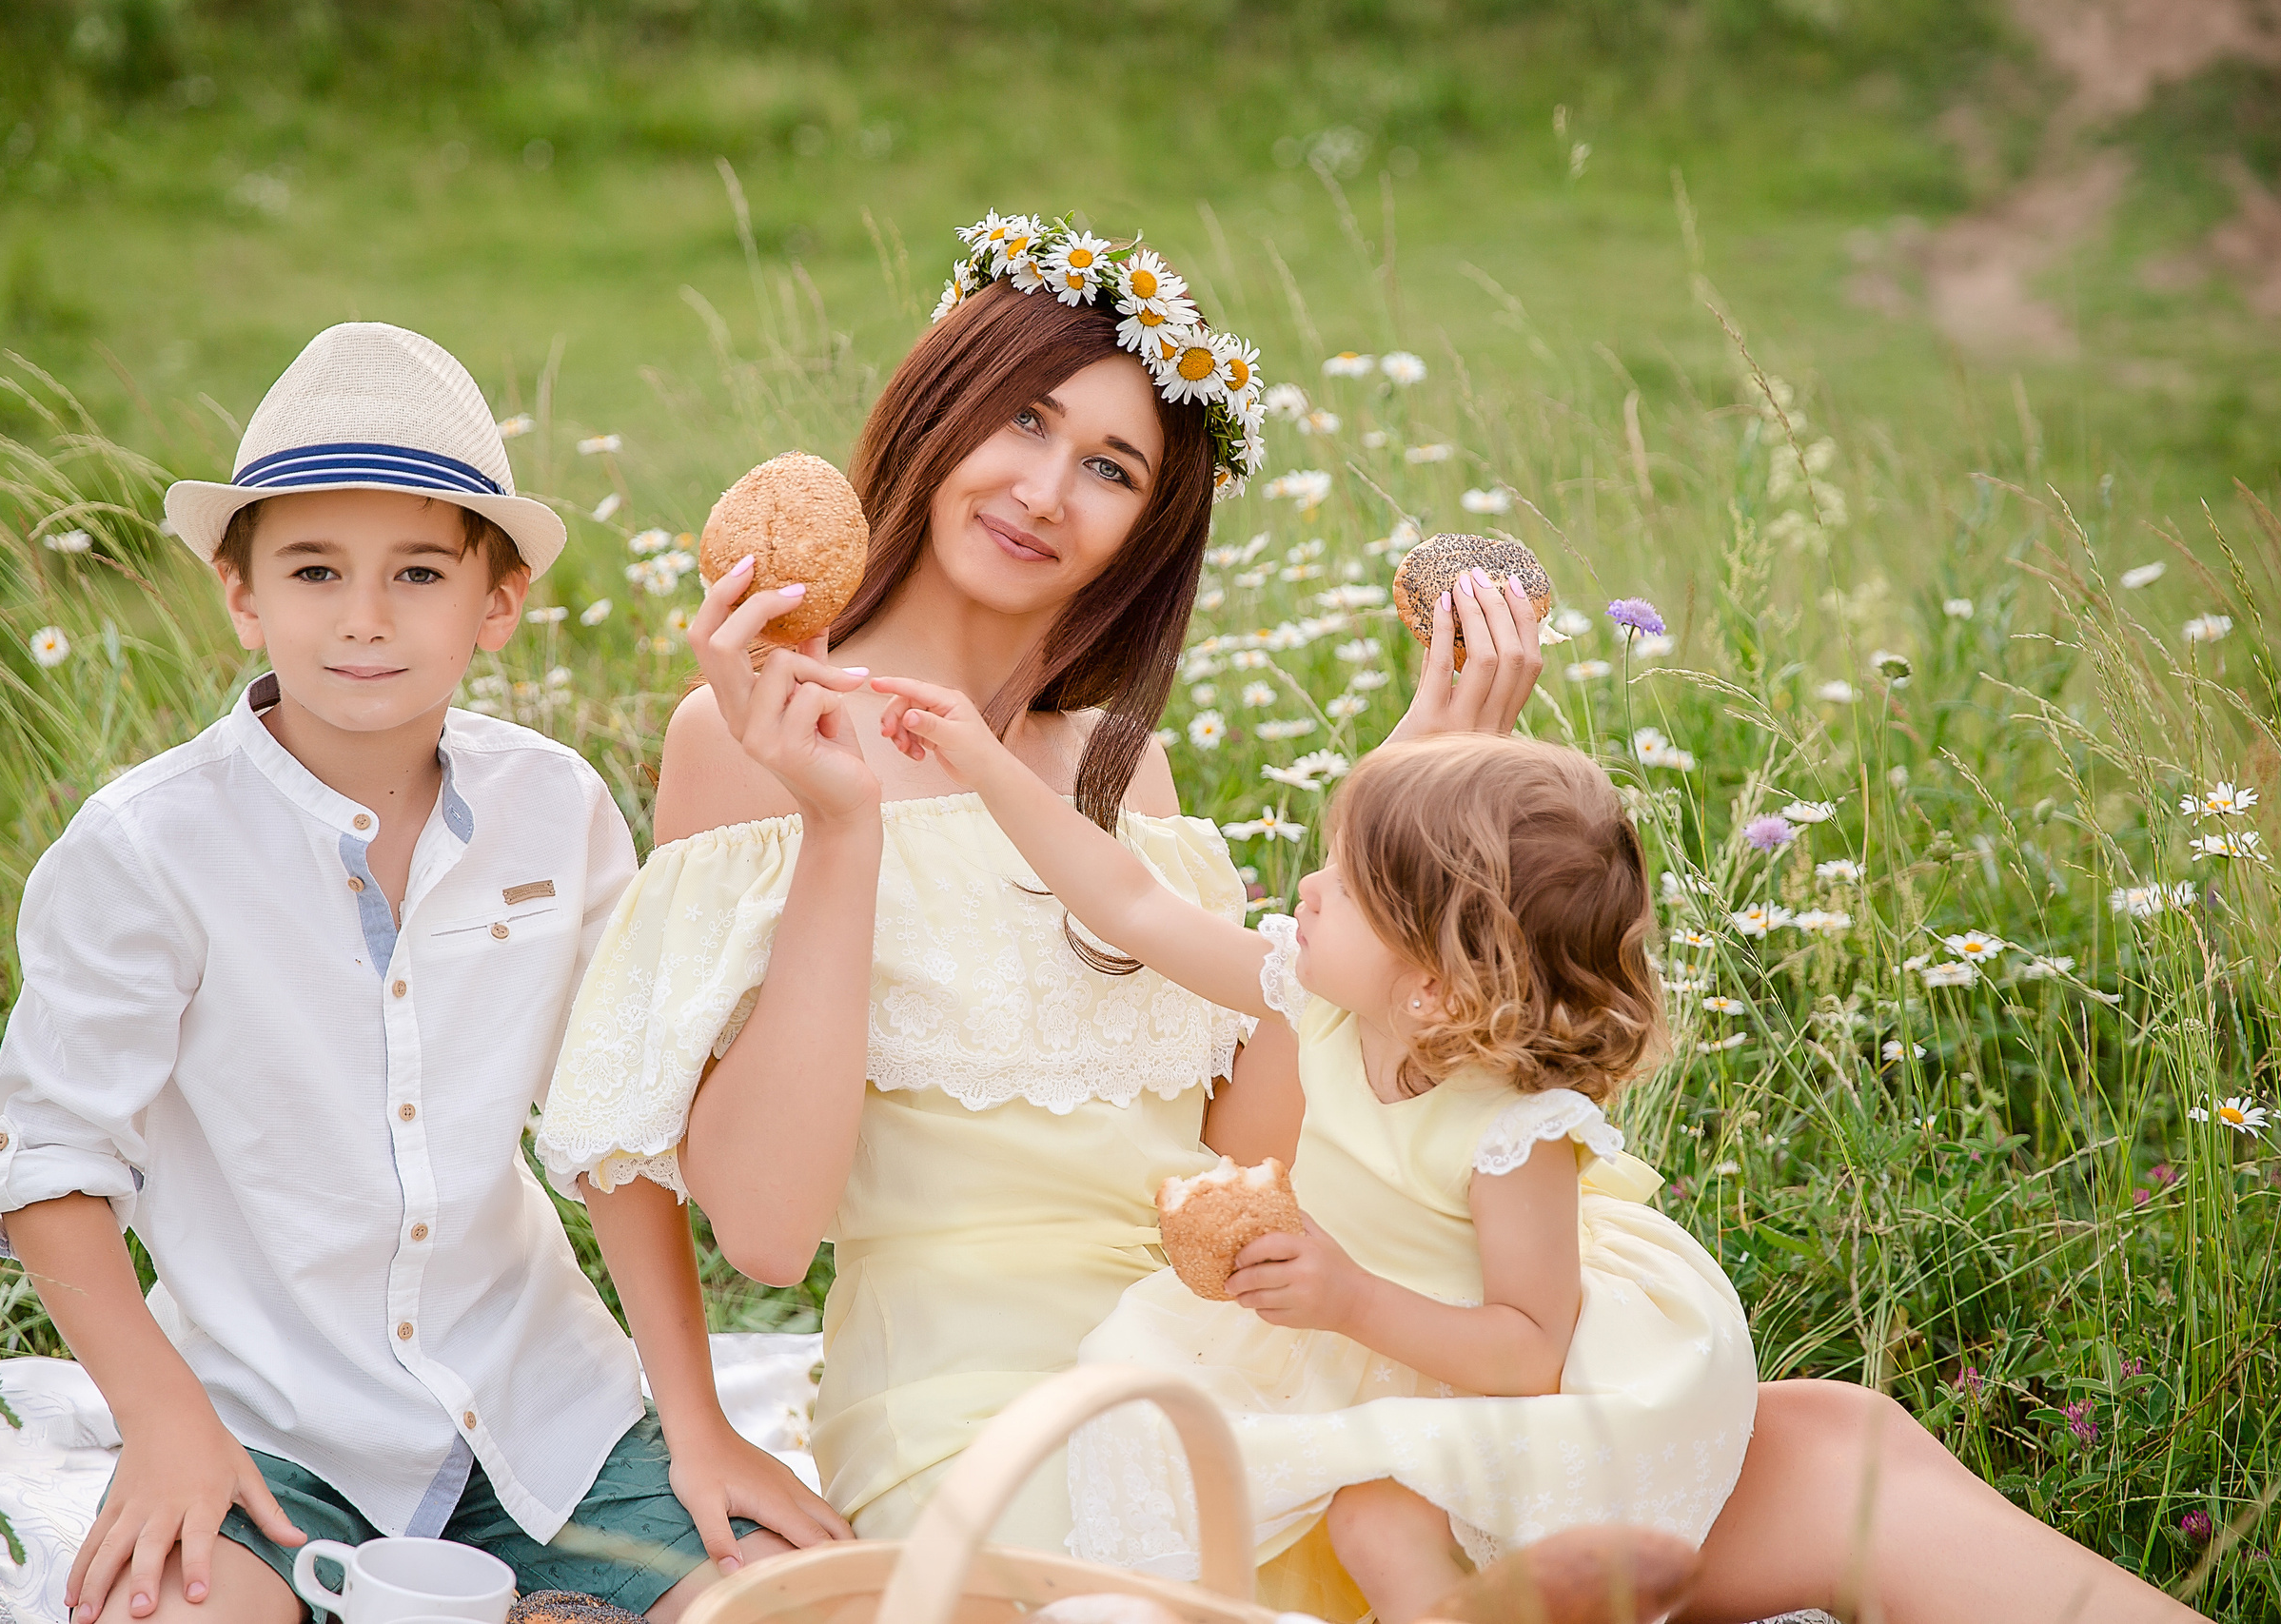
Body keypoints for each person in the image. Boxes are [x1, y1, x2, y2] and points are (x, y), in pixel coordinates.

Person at [539, 213, 2205, 1622]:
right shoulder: (764, 727)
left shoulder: (1129, 769)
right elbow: (754, 1222)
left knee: (1839, 1441)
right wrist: (698, 1421)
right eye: (1025, 421)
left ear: (1152, 528)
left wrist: (1395, 843)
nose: (1050, 485)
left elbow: (1260, 1137)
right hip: (1006, 1406)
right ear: (935, 409)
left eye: (1112, 462)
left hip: (1261, 1333)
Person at [0, 323, 847, 1624]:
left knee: (785, 1598)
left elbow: (612, 1133)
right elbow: (47, 1164)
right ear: (243, 593)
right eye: (315, 568)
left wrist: (698, 1422)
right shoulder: (145, 848)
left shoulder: (555, 807)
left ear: (497, 606)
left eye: (418, 572)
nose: (365, 618)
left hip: (545, 1411)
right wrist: (160, 1420)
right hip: (268, 1421)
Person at [850, 692, 1753, 1623]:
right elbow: (1129, 903)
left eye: (1349, 889)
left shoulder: (1511, 1133)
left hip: (1455, 1355)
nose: (1308, 892)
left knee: (1377, 1523)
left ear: (1433, 989)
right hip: (1335, 1327)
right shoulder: (1320, 1000)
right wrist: (988, 767)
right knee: (1170, 1442)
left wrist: (1353, 1299)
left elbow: (1530, 1351)